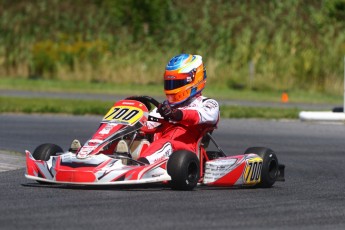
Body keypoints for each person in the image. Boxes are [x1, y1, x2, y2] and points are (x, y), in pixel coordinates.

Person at [137, 54, 220, 164]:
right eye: (169, 83)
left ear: (194, 80)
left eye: (177, 83)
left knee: (165, 144)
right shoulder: (166, 107)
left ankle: (140, 166)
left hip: (183, 152)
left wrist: (178, 114)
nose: (172, 88)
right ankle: (113, 159)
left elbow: (202, 115)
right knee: (133, 136)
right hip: (161, 149)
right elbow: (148, 125)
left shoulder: (207, 103)